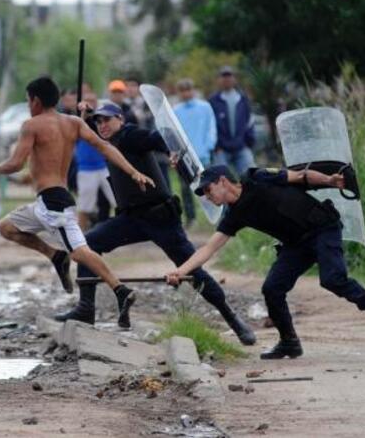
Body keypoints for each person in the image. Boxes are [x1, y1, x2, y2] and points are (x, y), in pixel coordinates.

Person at [54, 103, 255, 343]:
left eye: (107, 120)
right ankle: (86, 308)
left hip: (160, 218)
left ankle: (232, 319)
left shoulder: (130, 135)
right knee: (86, 246)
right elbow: (79, 127)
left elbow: (157, 137)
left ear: (120, 118)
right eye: (98, 122)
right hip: (130, 219)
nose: (102, 125)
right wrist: (83, 113)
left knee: (192, 269)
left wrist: (170, 151)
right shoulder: (107, 142)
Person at [0, 76, 154, 328]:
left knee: (80, 252)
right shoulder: (73, 122)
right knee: (6, 227)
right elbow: (105, 147)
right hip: (45, 202)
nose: (27, 105)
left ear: (35, 100)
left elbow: (15, 163)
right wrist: (133, 171)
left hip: (54, 204)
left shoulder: (31, 125)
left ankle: (120, 290)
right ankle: (55, 255)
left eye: (27, 100)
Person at [165, 165, 365, 359]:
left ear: (223, 181)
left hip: (322, 228)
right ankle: (289, 342)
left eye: (208, 190)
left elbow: (301, 176)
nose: (208, 196)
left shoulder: (256, 178)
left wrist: (329, 180)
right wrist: (181, 270)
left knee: (332, 279)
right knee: (272, 288)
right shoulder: (233, 216)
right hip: (296, 244)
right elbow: (209, 248)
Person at [173, 78, 217, 226]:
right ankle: (191, 218)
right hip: (184, 156)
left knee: (209, 185)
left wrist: (209, 146)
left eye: (188, 90)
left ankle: (216, 214)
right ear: (179, 92)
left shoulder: (204, 107)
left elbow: (211, 127)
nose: (186, 93)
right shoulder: (176, 110)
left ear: (193, 90)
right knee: (186, 189)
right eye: (183, 91)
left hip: (203, 153)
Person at [74, 92, 116, 229]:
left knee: (117, 200)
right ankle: (80, 234)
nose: (90, 103)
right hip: (86, 168)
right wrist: (84, 113)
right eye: (88, 101)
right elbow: (81, 125)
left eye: (93, 100)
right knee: (84, 205)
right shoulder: (77, 120)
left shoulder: (101, 120)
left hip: (104, 166)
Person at [208, 66, 255, 175]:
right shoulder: (212, 100)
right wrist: (216, 146)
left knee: (251, 178)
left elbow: (250, 121)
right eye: (224, 76)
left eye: (229, 76)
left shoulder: (243, 99)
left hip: (241, 146)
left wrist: (249, 142)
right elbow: (209, 125)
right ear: (219, 80)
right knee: (221, 181)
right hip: (221, 149)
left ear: (234, 79)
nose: (227, 79)